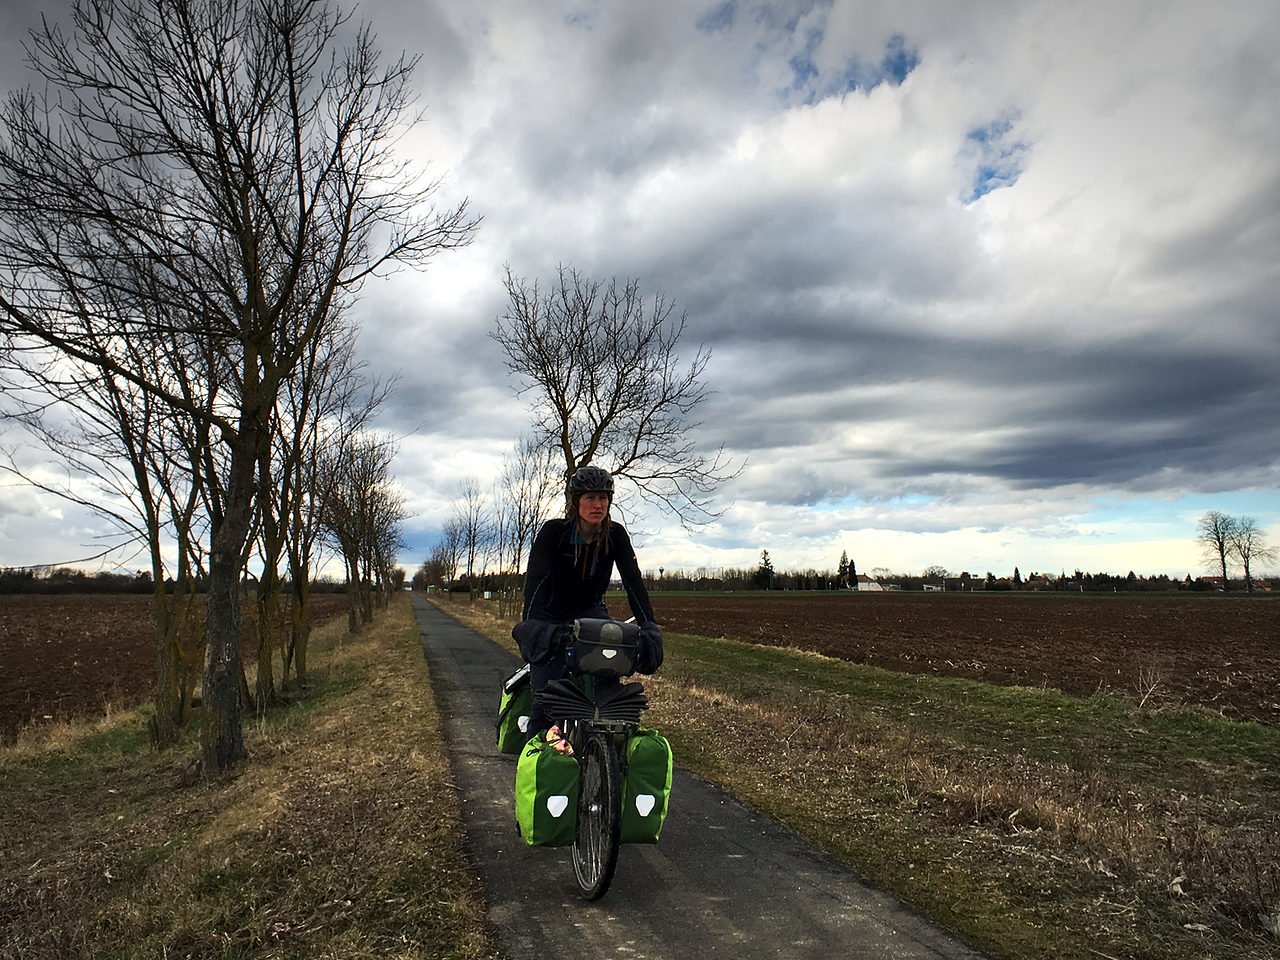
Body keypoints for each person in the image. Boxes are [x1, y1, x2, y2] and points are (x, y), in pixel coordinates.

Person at [512, 464, 663, 736]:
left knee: (609, 677)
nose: (598, 504)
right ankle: (536, 749)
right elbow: (535, 585)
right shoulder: (554, 533)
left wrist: (649, 626)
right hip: (551, 614)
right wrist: (533, 629)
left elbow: (633, 583)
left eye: (603, 498)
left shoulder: (615, 535)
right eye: (590, 498)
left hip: (591, 612)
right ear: (576, 502)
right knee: (547, 699)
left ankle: (603, 750)